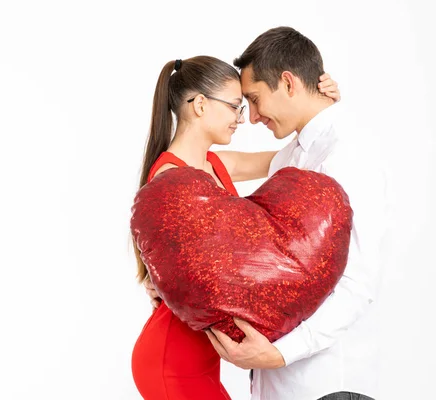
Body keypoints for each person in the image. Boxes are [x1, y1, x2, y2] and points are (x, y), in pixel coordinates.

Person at [132, 54, 340, 400]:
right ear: (200, 105)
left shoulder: (216, 163)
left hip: (199, 356)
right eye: (234, 107)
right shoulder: (168, 177)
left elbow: (293, 155)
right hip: (173, 357)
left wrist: (323, 107)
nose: (241, 119)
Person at [205, 27, 383, 400]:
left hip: (326, 385)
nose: (251, 117)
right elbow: (231, 167)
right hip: (283, 387)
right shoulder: (293, 156)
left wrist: (280, 353)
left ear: (287, 83)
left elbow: (358, 281)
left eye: (254, 99)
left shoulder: (347, 152)